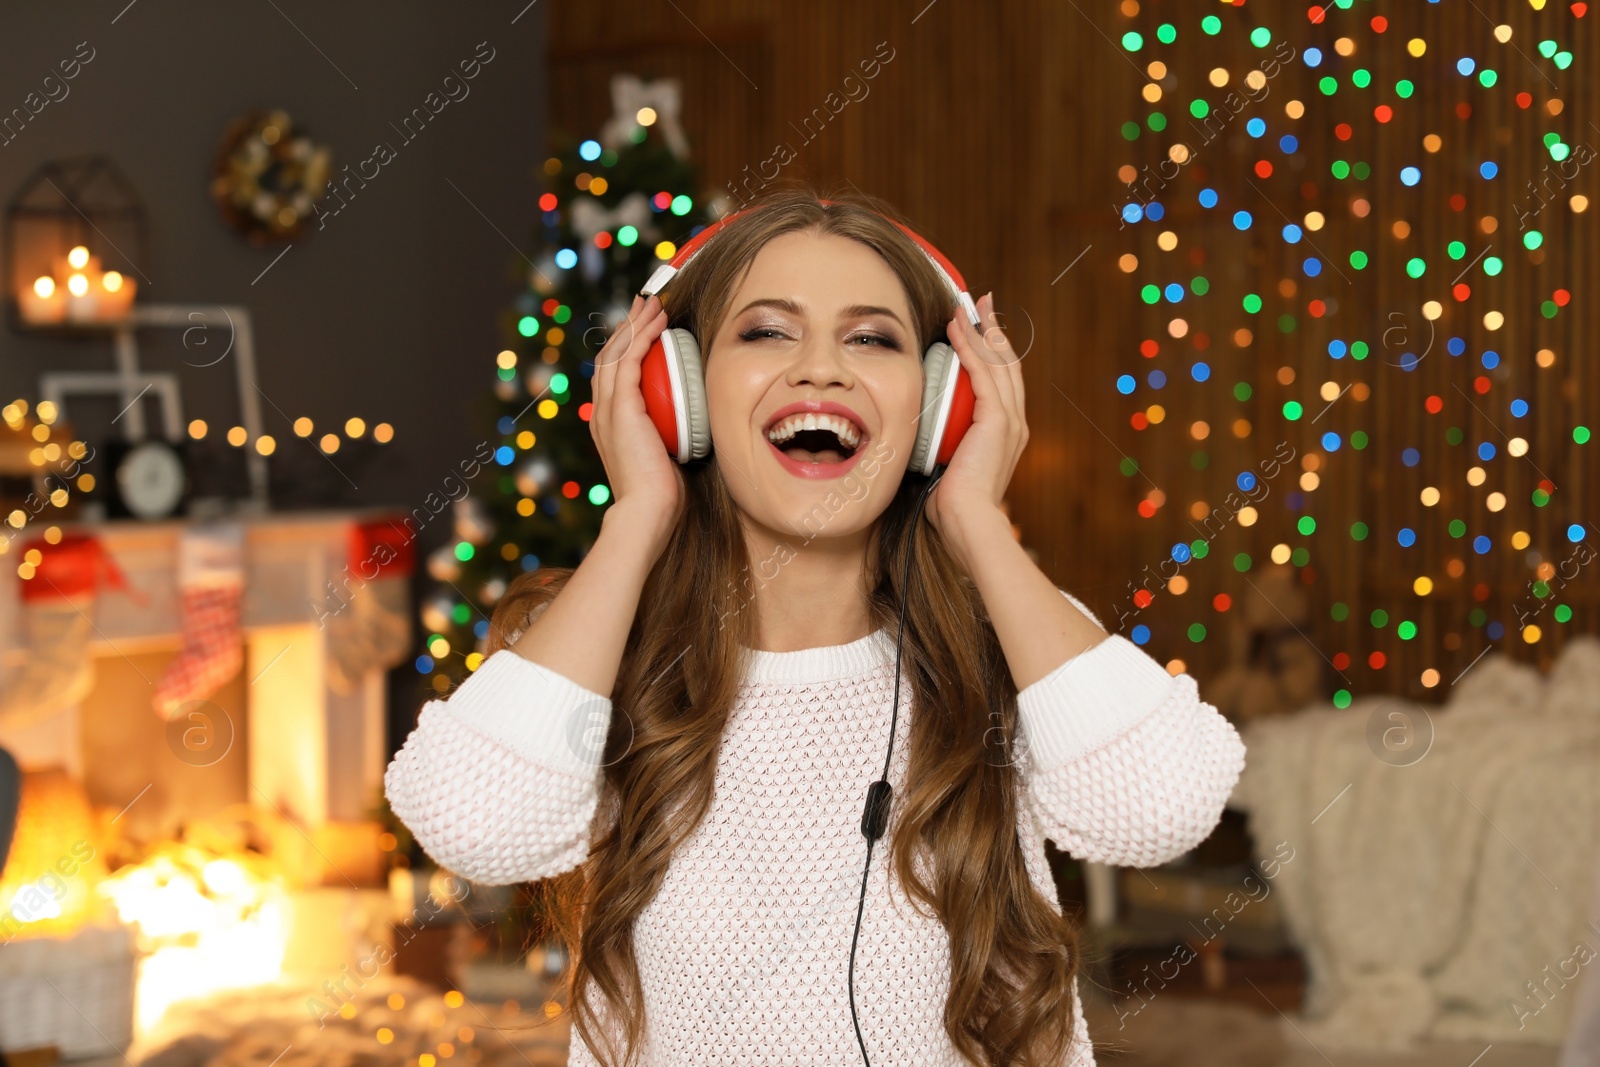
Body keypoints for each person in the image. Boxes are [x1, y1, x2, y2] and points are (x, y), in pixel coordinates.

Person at [384, 187, 1247, 1067]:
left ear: (941, 407)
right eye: (766, 331)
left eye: (872, 338)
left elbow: (1163, 807)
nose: (821, 369)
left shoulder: (1013, 637)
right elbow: (475, 826)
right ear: (676, 391)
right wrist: (636, 513)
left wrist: (980, 521)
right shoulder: (604, 647)